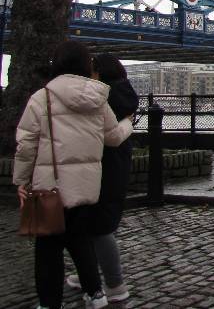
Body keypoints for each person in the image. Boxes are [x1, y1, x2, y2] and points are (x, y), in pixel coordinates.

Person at [14, 41, 134, 309]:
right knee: (82, 244)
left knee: (47, 250)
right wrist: (128, 122)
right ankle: (96, 295)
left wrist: (21, 181)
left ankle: (49, 303)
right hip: (87, 189)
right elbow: (113, 138)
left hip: (49, 189)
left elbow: (26, 145)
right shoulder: (98, 98)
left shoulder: (41, 98)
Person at [65, 54, 138, 303]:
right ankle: (84, 271)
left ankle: (115, 284)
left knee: (99, 226)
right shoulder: (125, 96)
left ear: (100, 73)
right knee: (98, 223)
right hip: (117, 165)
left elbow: (110, 135)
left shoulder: (104, 98)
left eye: (92, 70)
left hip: (103, 164)